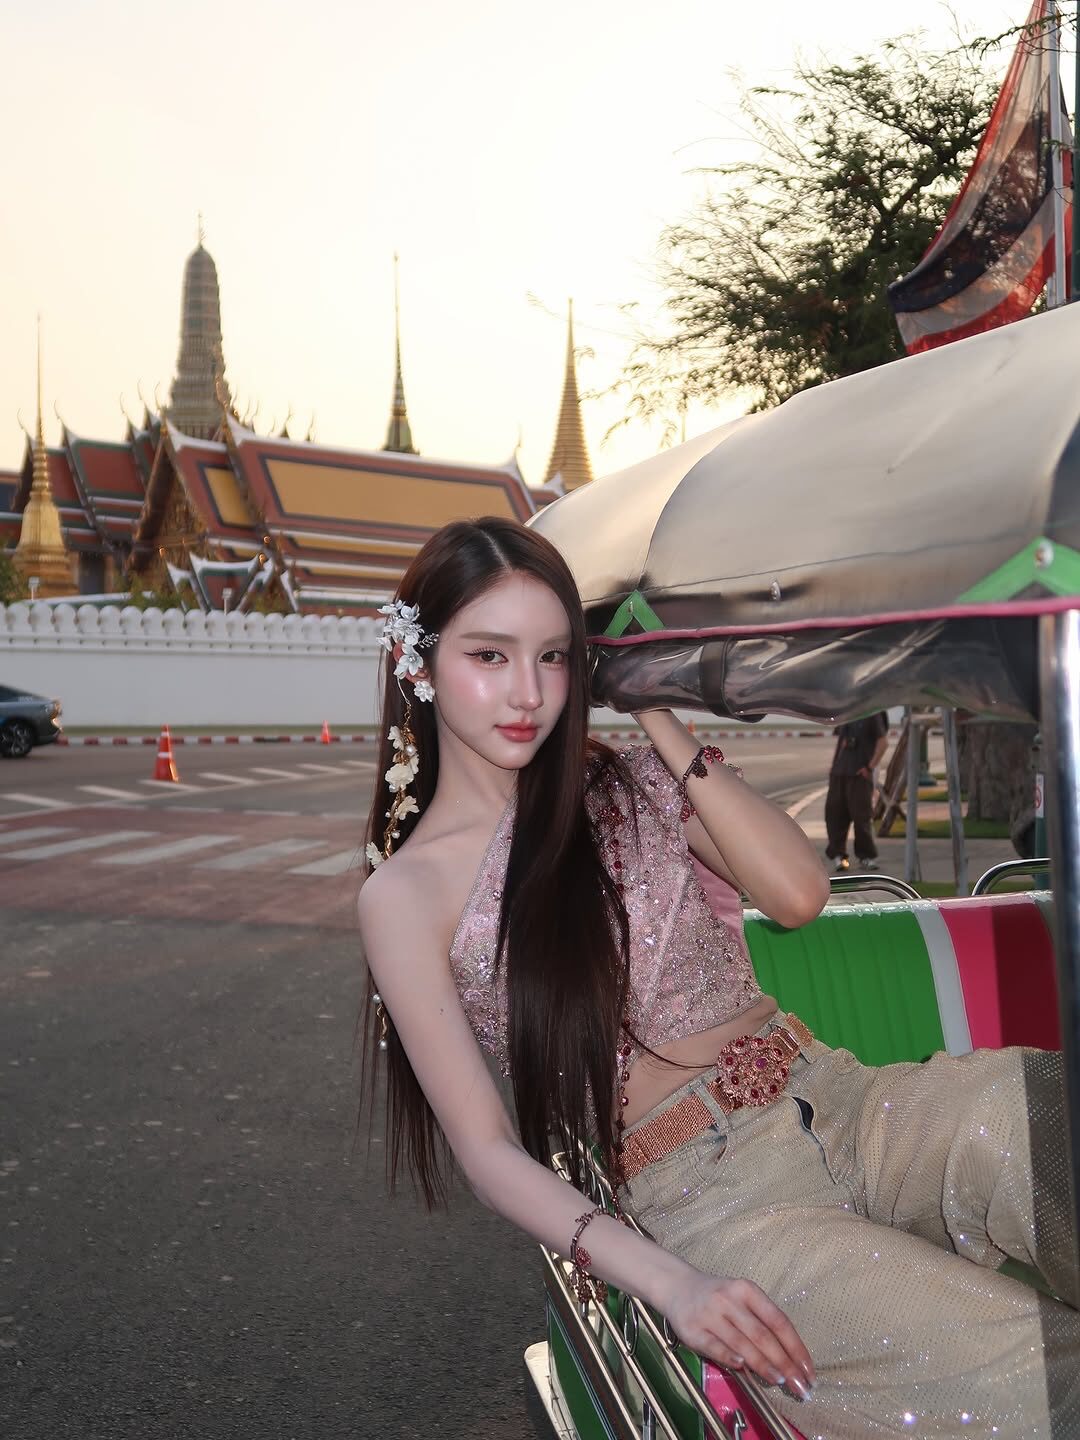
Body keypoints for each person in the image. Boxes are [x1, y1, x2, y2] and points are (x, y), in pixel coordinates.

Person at [357, 517, 1078, 1440]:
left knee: (1032, 1119)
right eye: (489, 655)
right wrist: (674, 1285)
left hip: (841, 1098)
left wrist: (653, 709)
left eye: (555, 657)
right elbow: (489, 1150)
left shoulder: (624, 784)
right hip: (715, 1199)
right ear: (417, 661)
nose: (529, 693)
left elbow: (799, 893)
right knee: (1029, 1368)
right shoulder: (405, 896)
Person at [824, 712, 889, 873]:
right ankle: (839, 855)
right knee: (835, 815)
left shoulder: (872, 713)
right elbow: (842, 742)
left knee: (861, 817)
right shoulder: (848, 713)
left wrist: (870, 767)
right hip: (840, 773)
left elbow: (883, 742)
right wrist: (834, 767)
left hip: (859, 774)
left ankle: (866, 856)